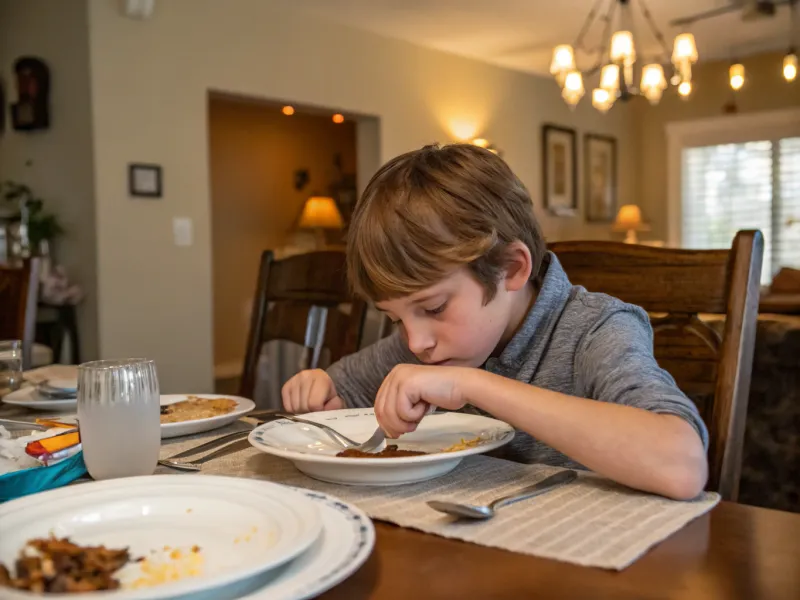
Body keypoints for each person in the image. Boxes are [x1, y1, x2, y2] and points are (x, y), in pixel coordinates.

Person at [282, 143, 708, 500]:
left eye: (433, 309)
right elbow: (345, 391)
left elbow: (681, 463)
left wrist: (472, 384)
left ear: (511, 269)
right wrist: (324, 391)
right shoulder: (432, 342)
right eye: (395, 317)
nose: (415, 342)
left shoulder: (597, 330)